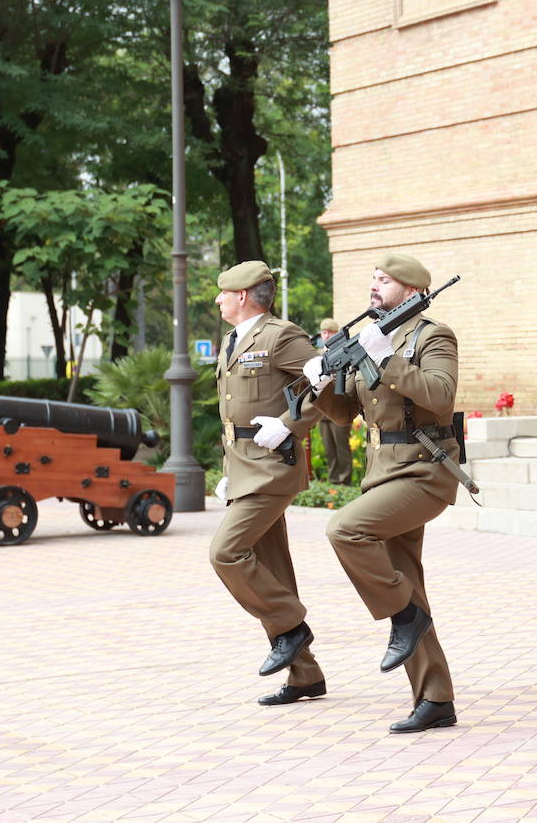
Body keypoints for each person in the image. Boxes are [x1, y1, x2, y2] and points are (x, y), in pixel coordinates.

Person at [309, 253, 461, 733]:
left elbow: (440, 395)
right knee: (406, 580)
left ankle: (404, 617)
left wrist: (385, 357)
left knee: (345, 530)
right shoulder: (369, 337)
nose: (374, 285)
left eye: (385, 280)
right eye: (373, 277)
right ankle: (435, 697)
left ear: (413, 292)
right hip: (383, 473)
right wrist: (321, 386)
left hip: (424, 471)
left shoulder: (432, 335)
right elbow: (344, 412)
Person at [211, 260, 327, 706]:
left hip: (273, 466)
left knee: (226, 552)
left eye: (224, 293)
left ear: (242, 296)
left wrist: (289, 424)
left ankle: (292, 627)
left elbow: (328, 384)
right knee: (273, 569)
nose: (219, 299)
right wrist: (228, 472)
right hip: (244, 467)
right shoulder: (231, 340)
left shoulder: (281, 336)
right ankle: (305, 677)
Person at [315, 317, 354, 486]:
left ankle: (344, 481)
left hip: (339, 406)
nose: (326, 336)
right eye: (323, 333)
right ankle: (333, 481)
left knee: (341, 447)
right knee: (329, 448)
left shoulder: (344, 352)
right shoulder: (317, 355)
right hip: (323, 410)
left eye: (329, 332)